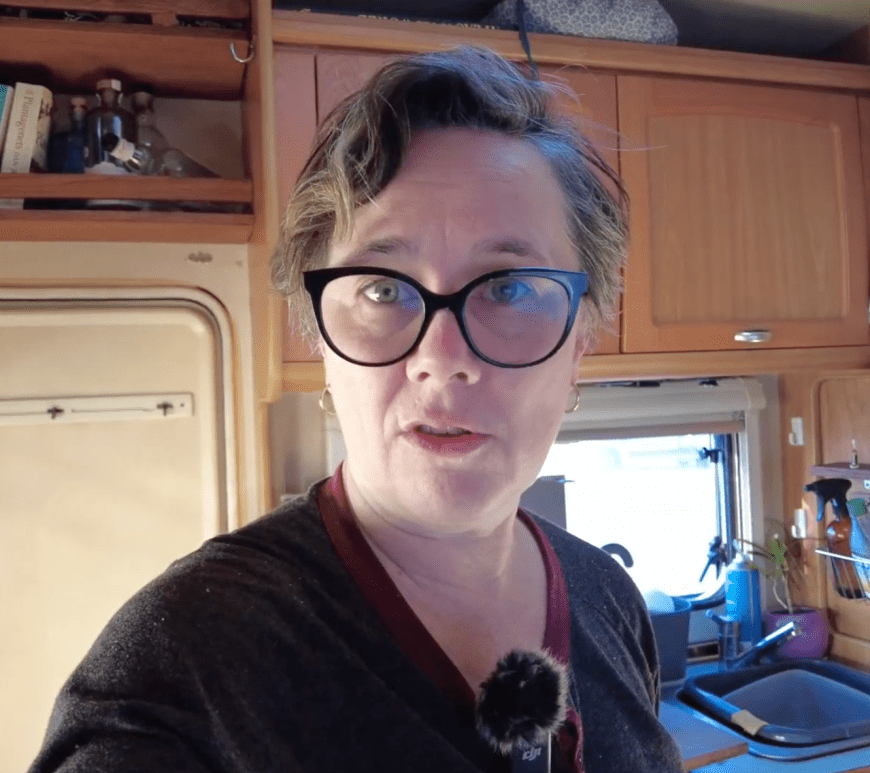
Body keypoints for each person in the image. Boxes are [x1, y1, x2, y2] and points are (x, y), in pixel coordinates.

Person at [29, 47, 683, 773]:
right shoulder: (182, 666)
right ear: (319, 338)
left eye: (509, 288)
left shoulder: (610, 599)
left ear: (580, 342)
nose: (441, 357)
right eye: (383, 288)